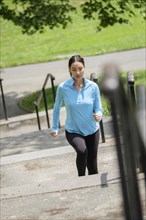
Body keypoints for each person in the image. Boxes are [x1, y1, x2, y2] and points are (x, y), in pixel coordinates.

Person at [50, 55, 102, 176]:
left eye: (80, 68)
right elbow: (56, 108)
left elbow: (98, 108)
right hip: (73, 130)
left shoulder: (93, 87)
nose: (77, 72)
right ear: (69, 70)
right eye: (74, 69)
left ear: (84, 68)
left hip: (92, 130)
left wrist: (98, 115)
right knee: (82, 151)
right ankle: (80, 179)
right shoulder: (63, 88)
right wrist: (54, 128)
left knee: (93, 167)